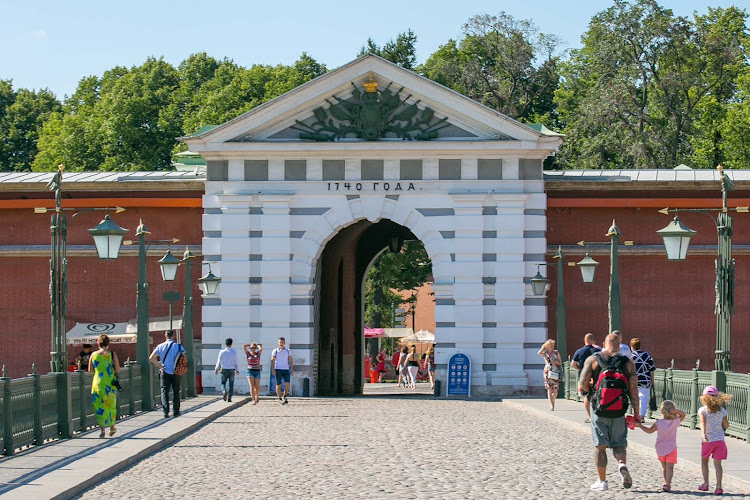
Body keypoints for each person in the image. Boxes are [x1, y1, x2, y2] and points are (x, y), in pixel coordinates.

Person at [579, 332, 641, 491]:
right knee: (619, 444)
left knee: (600, 446)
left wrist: (592, 392)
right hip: (619, 409)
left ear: (604, 343)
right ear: (619, 345)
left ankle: (602, 481)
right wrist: (636, 413)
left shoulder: (593, 359)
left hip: (599, 409)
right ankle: (621, 464)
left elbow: (583, 383)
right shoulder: (627, 362)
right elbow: (633, 389)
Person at [635, 400, 685, 492]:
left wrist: (640, 426)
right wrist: (675, 411)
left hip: (660, 448)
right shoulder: (675, 422)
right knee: (670, 468)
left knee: (664, 467)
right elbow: (683, 415)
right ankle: (668, 484)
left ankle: (666, 482)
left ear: (661, 412)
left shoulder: (659, 423)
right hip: (672, 448)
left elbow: (649, 431)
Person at [698, 385, 731, 495]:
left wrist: (703, 434)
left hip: (708, 440)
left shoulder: (703, 410)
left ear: (704, 398)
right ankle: (719, 487)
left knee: (704, 462)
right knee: (718, 465)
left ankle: (706, 483)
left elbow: (702, 423)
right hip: (720, 441)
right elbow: (726, 425)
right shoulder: (722, 411)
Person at [88, 334, 120, 438]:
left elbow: (90, 370)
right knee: (111, 406)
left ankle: (102, 430)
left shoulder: (93, 355)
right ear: (108, 343)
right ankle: (111, 428)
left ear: (98, 343)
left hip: (97, 384)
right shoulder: (112, 354)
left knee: (99, 407)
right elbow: (118, 369)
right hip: (109, 384)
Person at [149, 330, 185, 418]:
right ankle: (176, 411)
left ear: (165, 336)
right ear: (173, 337)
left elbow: (151, 358)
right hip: (176, 372)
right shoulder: (179, 347)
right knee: (176, 391)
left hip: (164, 372)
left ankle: (166, 411)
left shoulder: (160, 346)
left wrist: (159, 365)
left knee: (164, 391)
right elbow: (184, 358)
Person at [571, 333, 601, 422]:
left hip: (584, 377)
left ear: (584, 341)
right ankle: (597, 414)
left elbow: (573, 364)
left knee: (586, 397)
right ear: (593, 340)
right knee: (597, 395)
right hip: (596, 377)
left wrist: (580, 369)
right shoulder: (597, 351)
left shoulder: (579, 351)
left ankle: (589, 416)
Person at [630, 337, 655, 418]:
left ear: (631, 347)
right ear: (640, 346)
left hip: (634, 380)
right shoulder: (646, 355)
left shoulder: (630, 356)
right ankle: (641, 416)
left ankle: (636, 414)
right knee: (643, 399)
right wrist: (652, 381)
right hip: (645, 380)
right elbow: (651, 369)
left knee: (635, 398)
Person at [537, 339, 562, 411]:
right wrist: (543, 347)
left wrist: (556, 362)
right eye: (551, 346)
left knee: (555, 390)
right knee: (549, 389)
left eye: (553, 346)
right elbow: (538, 353)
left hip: (555, 371)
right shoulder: (545, 353)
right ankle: (551, 405)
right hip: (547, 372)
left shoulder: (556, 353)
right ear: (547, 346)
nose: (552, 347)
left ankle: (553, 400)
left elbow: (560, 362)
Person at [214, 338, 239, 402]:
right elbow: (236, 362)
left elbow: (218, 361)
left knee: (223, 383)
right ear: (231, 343)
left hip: (224, 369)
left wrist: (216, 368)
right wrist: (237, 369)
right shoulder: (234, 352)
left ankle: (224, 391)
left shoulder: (222, 352)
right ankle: (230, 397)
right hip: (231, 369)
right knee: (231, 384)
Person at [271, 337, 293, 404]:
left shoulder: (287, 350)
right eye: (280, 342)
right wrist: (273, 369)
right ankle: (279, 398)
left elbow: (290, 360)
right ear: (278, 343)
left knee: (287, 383)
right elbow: (272, 360)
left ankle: (285, 395)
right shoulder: (275, 351)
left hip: (286, 369)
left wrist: (291, 368)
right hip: (278, 369)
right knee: (278, 384)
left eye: (282, 342)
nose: (281, 344)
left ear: (284, 343)